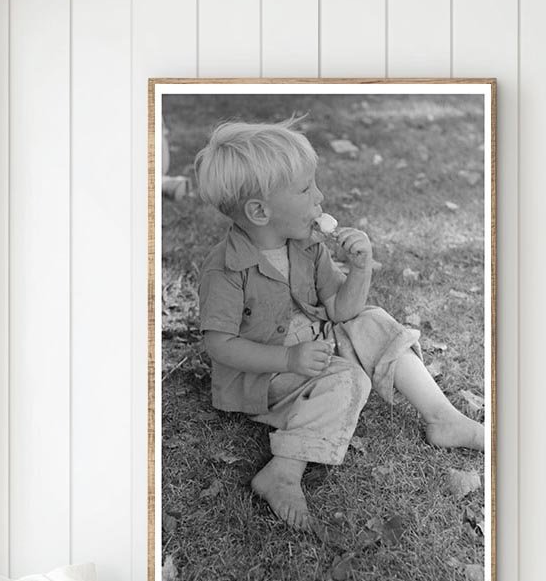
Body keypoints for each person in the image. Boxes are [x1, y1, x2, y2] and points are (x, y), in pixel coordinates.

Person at [193, 115, 484, 533]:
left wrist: (360, 268)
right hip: (265, 376)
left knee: (374, 321)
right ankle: (283, 471)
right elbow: (219, 345)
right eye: (305, 189)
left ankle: (443, 417)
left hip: (311, 342)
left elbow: (341, 312)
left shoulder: (308, 245)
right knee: (348, 381)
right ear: (260, 211)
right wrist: (288, 358)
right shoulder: (225, 269)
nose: (320, 196)